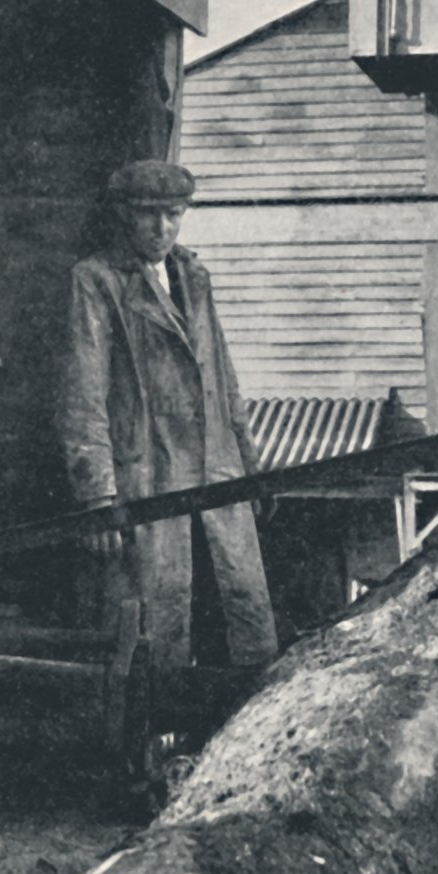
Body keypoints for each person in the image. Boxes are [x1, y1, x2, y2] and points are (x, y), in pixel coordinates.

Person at [59, 161, 278, 701]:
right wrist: (97, 497)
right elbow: (83, 395)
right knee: (158, 640)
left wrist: (250, 469)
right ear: (123, 215)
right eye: (148, 215)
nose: (162, 228)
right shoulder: (97, 280)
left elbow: (224, 379)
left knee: (240, 623)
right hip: (151, 480)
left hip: (218, 479)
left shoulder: (194, 277)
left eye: (173, 215)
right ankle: (160, 741)